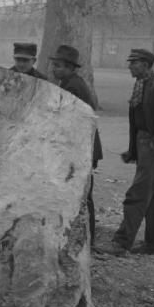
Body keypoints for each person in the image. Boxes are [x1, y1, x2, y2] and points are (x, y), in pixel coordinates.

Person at [100, 49, 154, 257]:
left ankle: (121, 243)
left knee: (137, 194)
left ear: (145, 64)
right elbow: (140, 122)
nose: (129, 66)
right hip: (144, 144)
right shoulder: (141, 85)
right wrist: (134, 150)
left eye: (133, 62)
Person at [49, 44, 103, 246]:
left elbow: (68, 121)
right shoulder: (69, 83)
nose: (55, 69)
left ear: (71, 68)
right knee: (81, 194)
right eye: (55, 65)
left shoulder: (72, 86)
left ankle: (87, 241)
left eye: (60, 66)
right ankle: (83, 239)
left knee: (82, 196)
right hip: (81, 147)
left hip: (82, 148)